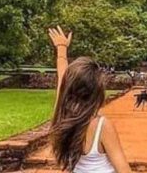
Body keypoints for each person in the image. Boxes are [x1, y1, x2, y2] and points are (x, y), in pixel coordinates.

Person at [48, 26, 132, 173]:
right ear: (97, 93)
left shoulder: (62, 116)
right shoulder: (101, 126)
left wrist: (61, 49)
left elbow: (63, 80)